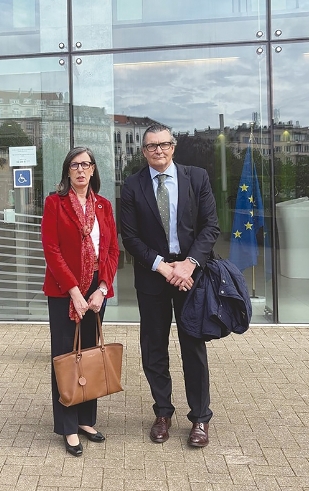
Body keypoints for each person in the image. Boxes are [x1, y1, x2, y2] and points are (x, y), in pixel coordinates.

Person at [120, 125, 220, 447]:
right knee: (154, 348)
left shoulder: (197, 178)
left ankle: (200, 417)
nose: (158, 150)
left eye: (164, 144)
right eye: (151, 146)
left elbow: (210, 227)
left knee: (193, 347)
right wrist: (162, 266)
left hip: (190, 275)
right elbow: (130, 237)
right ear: (144, 151)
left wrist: (189, 264)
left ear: (173, 147)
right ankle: (162, 412)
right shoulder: (133, 185)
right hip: (153, 276)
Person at [41, 147, 120, 457]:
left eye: (86, 164)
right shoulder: (55, 203)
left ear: (93, 169)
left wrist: (102, 288)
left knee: (89, 354)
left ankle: (86, 419)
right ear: (67, 171)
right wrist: (75, 291)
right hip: (64, 290)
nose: (80, 170)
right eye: (74, 165)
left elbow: (111, 250)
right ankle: (68, 426)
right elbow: (52, 249)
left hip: (96, 289)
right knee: (65, 356)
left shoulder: (103, 205)